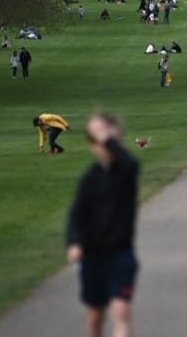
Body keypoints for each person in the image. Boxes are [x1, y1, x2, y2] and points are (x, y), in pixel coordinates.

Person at [66, 113, 140, 337]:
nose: (104, 141)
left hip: (120, 254)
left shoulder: (127, 171)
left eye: (108, 134)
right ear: (91, 146)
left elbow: (128, 162)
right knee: (95, 318)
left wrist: (108, 138)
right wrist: (74, 242)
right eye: (97, 136)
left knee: (121, 311)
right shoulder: (90, 178)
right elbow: (76, 215)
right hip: (93, 256)